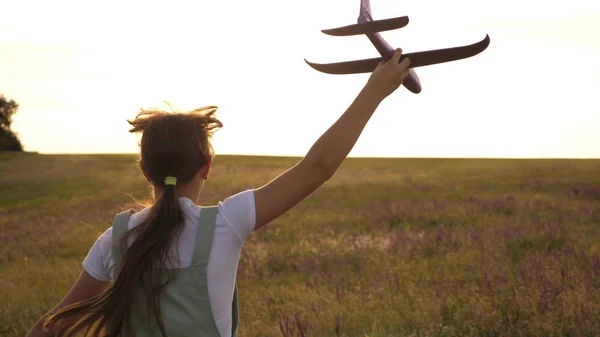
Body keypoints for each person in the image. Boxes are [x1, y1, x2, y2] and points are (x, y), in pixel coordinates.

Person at [25, 49, 411, 337]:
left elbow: (50, 327)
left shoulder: (114, 241)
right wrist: (374, 91)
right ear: (206, 167)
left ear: (145, 170)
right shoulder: (227, 223)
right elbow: (319, 166)